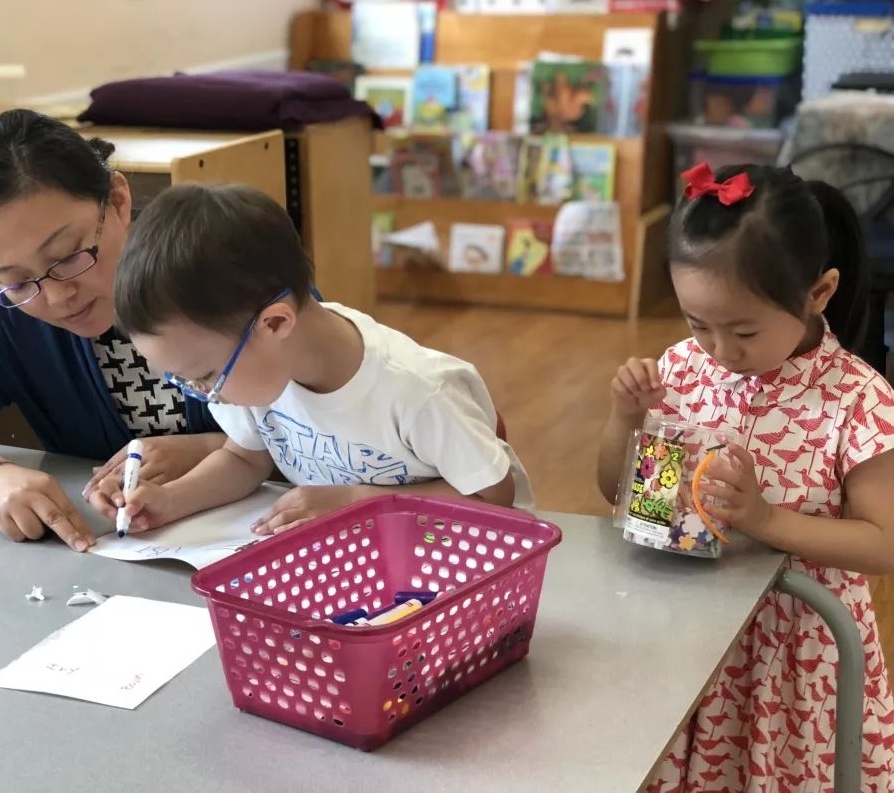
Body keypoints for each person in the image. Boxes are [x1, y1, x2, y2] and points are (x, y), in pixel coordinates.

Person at [597, 162, 894, 788]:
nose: (719, 351)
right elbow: (626, 497)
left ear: (819, 293)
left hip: (796, 654)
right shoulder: (682, 369)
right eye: (697, 323)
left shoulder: (857, 399)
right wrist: (626, 419)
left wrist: (764, 520)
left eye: (744, 330)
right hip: (689, 639)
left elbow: (884, 542)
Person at [0, 109, 224, 553]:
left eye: (68, 255)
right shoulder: (7, 311)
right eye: (16, 281)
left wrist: (215, 448)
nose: (56, 297)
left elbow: (332, 419)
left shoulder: (225, 260)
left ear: (116, 201)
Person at [104, 182, 534, 534]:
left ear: (274, 324)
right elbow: (244, 458)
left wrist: (358, 503)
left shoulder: (417, 391)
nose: (205, 395)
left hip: (464, 559)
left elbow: (494, 498)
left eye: (206, 376)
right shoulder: (261, 374)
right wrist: (169, 501)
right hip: (361, 561)